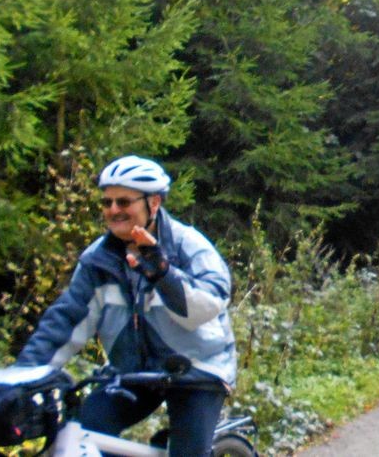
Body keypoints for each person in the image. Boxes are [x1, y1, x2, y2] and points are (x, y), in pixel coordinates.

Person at [15, 155, 236, 457]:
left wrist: (164, 274)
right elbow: (66, 320)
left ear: (154, 203)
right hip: (133, 372)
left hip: (197, 370)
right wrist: (24, 375)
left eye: (123, 202)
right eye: (107, 203)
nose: (113, 210)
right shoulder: (97, 260)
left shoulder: (189, 246)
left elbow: (208, 305)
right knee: (84, 433)